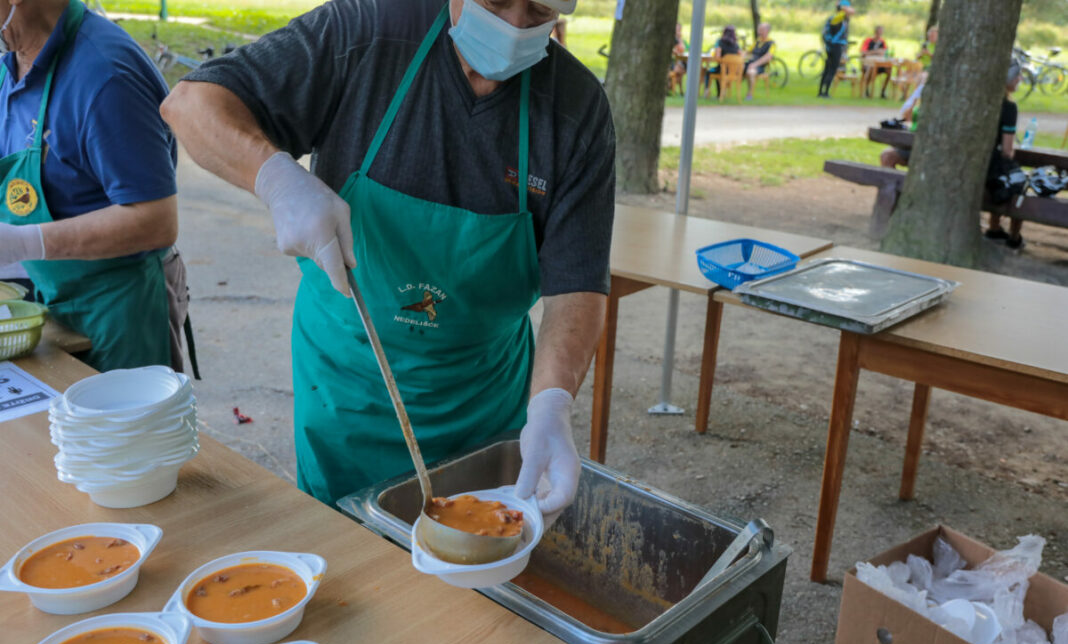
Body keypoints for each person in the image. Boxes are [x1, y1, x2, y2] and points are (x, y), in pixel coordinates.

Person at [161, 0, 614, 514]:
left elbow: (576, 285)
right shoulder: (367, 32)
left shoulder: (577, 109)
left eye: (536, 11)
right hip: (347, 385)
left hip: (483, 401)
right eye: (494, 2)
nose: (512, 27)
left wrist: (552, 402)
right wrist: (276, 178)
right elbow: (190, 104)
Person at [0, 0, 181, 373]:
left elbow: (156, 220)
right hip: (50, 298)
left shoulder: (106, 77)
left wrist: (25, 242)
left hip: (119, 307)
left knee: (124, 429)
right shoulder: (13, 58)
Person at [985, 61, 1024, 249]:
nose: (1020, 79)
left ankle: (994, 227)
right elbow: (1007, 151)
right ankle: (1014, 236)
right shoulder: (1008, 107)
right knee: (1017, 180)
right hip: (989, 168)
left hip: (977, 166)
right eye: (1018, 75)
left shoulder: (981, 100)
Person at [818, 0, 854, 98]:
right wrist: (844, 7)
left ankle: (820, 92)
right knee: (832, 69)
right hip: (836, 47)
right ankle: (825, 93)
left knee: (827, 69)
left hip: (829, 47)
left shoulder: (833, 18)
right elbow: (851, 11)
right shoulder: (839, 18)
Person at [702, 25, 739, 99]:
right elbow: (740, 55)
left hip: (722, 69)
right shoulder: (736, 44)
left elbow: (717, 56)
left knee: (709, 72)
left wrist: (721, 60)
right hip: (733, 71)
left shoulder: (720, 42)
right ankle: (722, 92)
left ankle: (707, 91)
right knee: (718, 71)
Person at [743, 22, 775, 101]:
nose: (759, 32)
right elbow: (749, 51)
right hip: (750, 63)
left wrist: (755, 64)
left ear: (767, 31)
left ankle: (750, 94)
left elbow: (768, 57)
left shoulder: (771, 43)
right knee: (734, 68)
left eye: (761, 30)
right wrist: (742, 55)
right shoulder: (757, 41)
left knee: (750, 72)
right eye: (759, 30)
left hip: (760, 66)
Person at [860, 24, 890, 99]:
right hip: (868, 64)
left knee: (889, 70)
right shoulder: (868, 41)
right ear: (875, 32)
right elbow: (863, 52)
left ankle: (883, 91)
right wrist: (875, 52)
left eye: (881, 33)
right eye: (878, 32)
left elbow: (885, 52)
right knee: (871, 69)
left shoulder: (882, 42)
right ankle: (867, 89)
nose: (879, 34)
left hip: (880, 63)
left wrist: (881, 52)